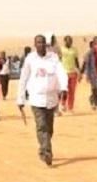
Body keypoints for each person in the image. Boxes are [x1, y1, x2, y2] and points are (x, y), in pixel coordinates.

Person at [17, 34, 68, 167]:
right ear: (35, 45)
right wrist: (20, 99)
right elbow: (23, 78)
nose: (41, 45)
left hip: (51, 99)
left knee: (49, 129)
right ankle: (47, 153)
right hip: (36, 99)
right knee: (42, 126)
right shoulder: (30, 59)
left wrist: (64, 87)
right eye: (38, 42)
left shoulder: (53, 58)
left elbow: (61, 72)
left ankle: (43, 149)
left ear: (46, 44)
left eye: (43, 42)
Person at [79, 38, 97, 110]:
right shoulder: (89, 53)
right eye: (96, 43)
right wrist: (85, 75)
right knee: (94, 89)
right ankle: (94, 102)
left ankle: (95, 101)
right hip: (92, 75)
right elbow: (86, 64)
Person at [59, 35, 80, 113]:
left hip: (73, 73)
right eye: (68, 41)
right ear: (64, 41)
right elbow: (58, 60)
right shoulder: (61, 50)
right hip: (64, 73)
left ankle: (70, 107)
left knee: (72, 91)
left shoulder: (74, 49)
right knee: (64, 90)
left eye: (71, 41)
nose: (69, 42)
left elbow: (76, 61)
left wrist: (79, 71)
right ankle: (62, 104)